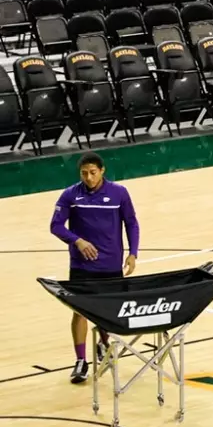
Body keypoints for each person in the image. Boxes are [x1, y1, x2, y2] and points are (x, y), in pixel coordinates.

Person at [51, 152, 140, 384]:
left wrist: (133, 253)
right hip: (81, 265)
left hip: (111, 263)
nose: (88, 178)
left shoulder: (119, 193)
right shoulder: (71, 195)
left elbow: (131, 223)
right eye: (84, 173)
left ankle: (103, 343)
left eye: (92, 173)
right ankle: (81, 360)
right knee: (79, 311)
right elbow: (56, 225)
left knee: (108, 311)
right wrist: (77, 241)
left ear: (102, 171)